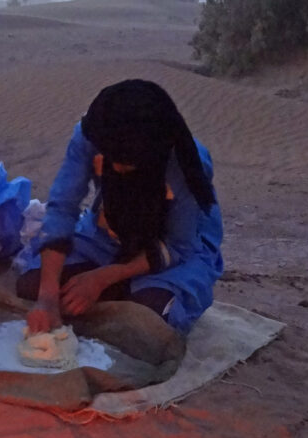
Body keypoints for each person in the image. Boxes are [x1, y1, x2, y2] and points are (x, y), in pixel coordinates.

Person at [15, 79, 223, 336]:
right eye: (110, 158)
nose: (115, 169)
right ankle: (120, 289)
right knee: (32, 285)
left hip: (175, 250)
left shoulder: (187, 164)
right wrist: (46, 297)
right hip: (106, 236)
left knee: (148, 320)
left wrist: (101, 278)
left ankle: (131, 288)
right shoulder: (93, 134)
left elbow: (179, 245)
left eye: (125, 163)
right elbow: (63, 209)